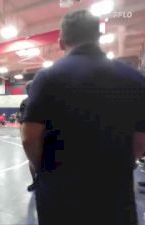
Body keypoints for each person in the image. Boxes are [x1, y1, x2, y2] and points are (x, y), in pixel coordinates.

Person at [21, 10, 145, 225]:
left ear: (61, 42)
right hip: (115, 193)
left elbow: (29, 138)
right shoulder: (134, 78)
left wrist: (47, 170)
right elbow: (141, 141)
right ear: (99, 37)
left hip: (60, 195)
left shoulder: (48, 77)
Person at [18, 81, 36, 192]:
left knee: (32, 160)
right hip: (42, 134)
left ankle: (35, 181)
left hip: (31, 135)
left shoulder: (24, 102)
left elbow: (22, 121)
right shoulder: (44, 100)